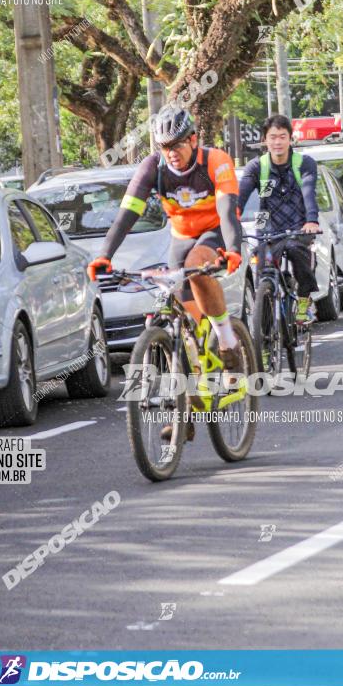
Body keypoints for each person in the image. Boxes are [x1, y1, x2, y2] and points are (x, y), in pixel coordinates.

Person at [87, 108, 244, 440]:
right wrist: (104, 255)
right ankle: (186, 408)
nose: (170, 151)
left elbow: (228, 210)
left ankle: (229, 344)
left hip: (214, 232)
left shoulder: (215, 161)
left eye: (176, 144)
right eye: (163, 145)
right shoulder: (152, 167)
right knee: (184, 331)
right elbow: (127, 214)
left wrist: (233, 248)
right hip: (180, 238)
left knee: (197, 270)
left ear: (193, 139)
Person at [238, 114, 320, 324]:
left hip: (298, 224)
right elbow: (240, 198)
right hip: (267, 225)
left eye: (282, 136)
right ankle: (264, 336)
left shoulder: (305, 163)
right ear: (265, 140)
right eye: (272, 137)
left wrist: (311, 220)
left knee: (298, 254)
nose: (277, 142)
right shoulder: (256, 166)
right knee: (264, 274)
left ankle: (304, 302)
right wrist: (232, 220)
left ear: (290, 138)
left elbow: (309, 193)